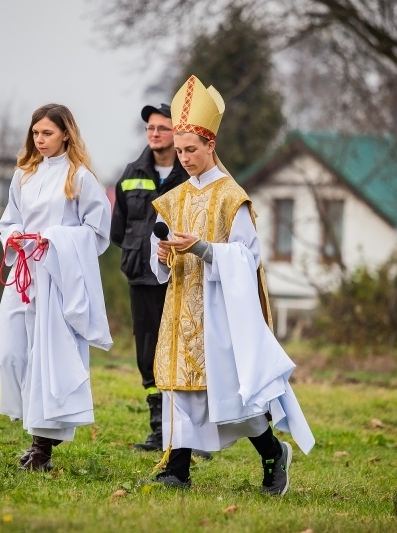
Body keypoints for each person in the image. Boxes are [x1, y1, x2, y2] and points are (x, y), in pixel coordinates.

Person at [147, 75, 315, 495]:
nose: (184, 158)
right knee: (179, 392)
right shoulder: (177, 196)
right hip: (182, 304)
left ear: (210, 146)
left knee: (235, 401)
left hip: (220, 312)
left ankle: (274, 453)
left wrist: (203, 247)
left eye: (192, 150)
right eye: (179, 150)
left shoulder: (230, 195)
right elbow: (166, 262)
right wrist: (164, 257)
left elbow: (247, 256)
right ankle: (177, 470)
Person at [0, 103, 112, 472]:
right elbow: (9, 218)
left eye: (47, 133)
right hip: (23, 274)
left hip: (58, 277)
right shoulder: (23, 175)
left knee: (49, 360)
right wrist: (13, 237)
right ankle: (31, 429)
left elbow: (97, 233)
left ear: (65, 134)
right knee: (10, 352)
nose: (40, 139)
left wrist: (56, 239)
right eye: (35, 133)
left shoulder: (79, 178)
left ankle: (41, 448)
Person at [110, 103, 190, 453]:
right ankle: (159, 431)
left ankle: (188, 434)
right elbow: (118, 228)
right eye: (150, 128)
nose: (155, 133)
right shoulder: (131, 174)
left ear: (178, 133)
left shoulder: (190, 176)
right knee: (147, 352)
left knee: (183, 351)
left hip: (182, 280)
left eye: (162, 128)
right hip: (141, 277)